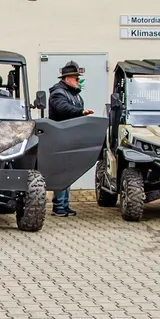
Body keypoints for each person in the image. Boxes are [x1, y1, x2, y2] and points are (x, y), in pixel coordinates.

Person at [47, 60, 94, 217]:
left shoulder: (74, 95)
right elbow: (63, 109)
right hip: (61, 138)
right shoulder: (58, 93)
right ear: (67, 79)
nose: (78, 81)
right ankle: (59, 205)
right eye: (76, 78)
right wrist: (80, 113)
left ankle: (64, 204)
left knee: (68, 171)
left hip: (69, 137)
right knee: (62, 170)